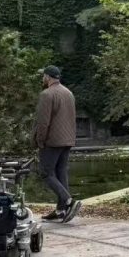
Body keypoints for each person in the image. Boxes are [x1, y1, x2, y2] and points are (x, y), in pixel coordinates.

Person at [33, 65, 80, 223]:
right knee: (61, 173)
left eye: (43, 76)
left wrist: (40, 140)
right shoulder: (69, 93)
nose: (42, 79)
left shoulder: (47, 94)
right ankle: (61, 210)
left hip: (52, 140)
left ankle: (68, 200)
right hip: (67, 140)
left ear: (47, 77)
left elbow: (43, 122)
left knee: (46, 172)